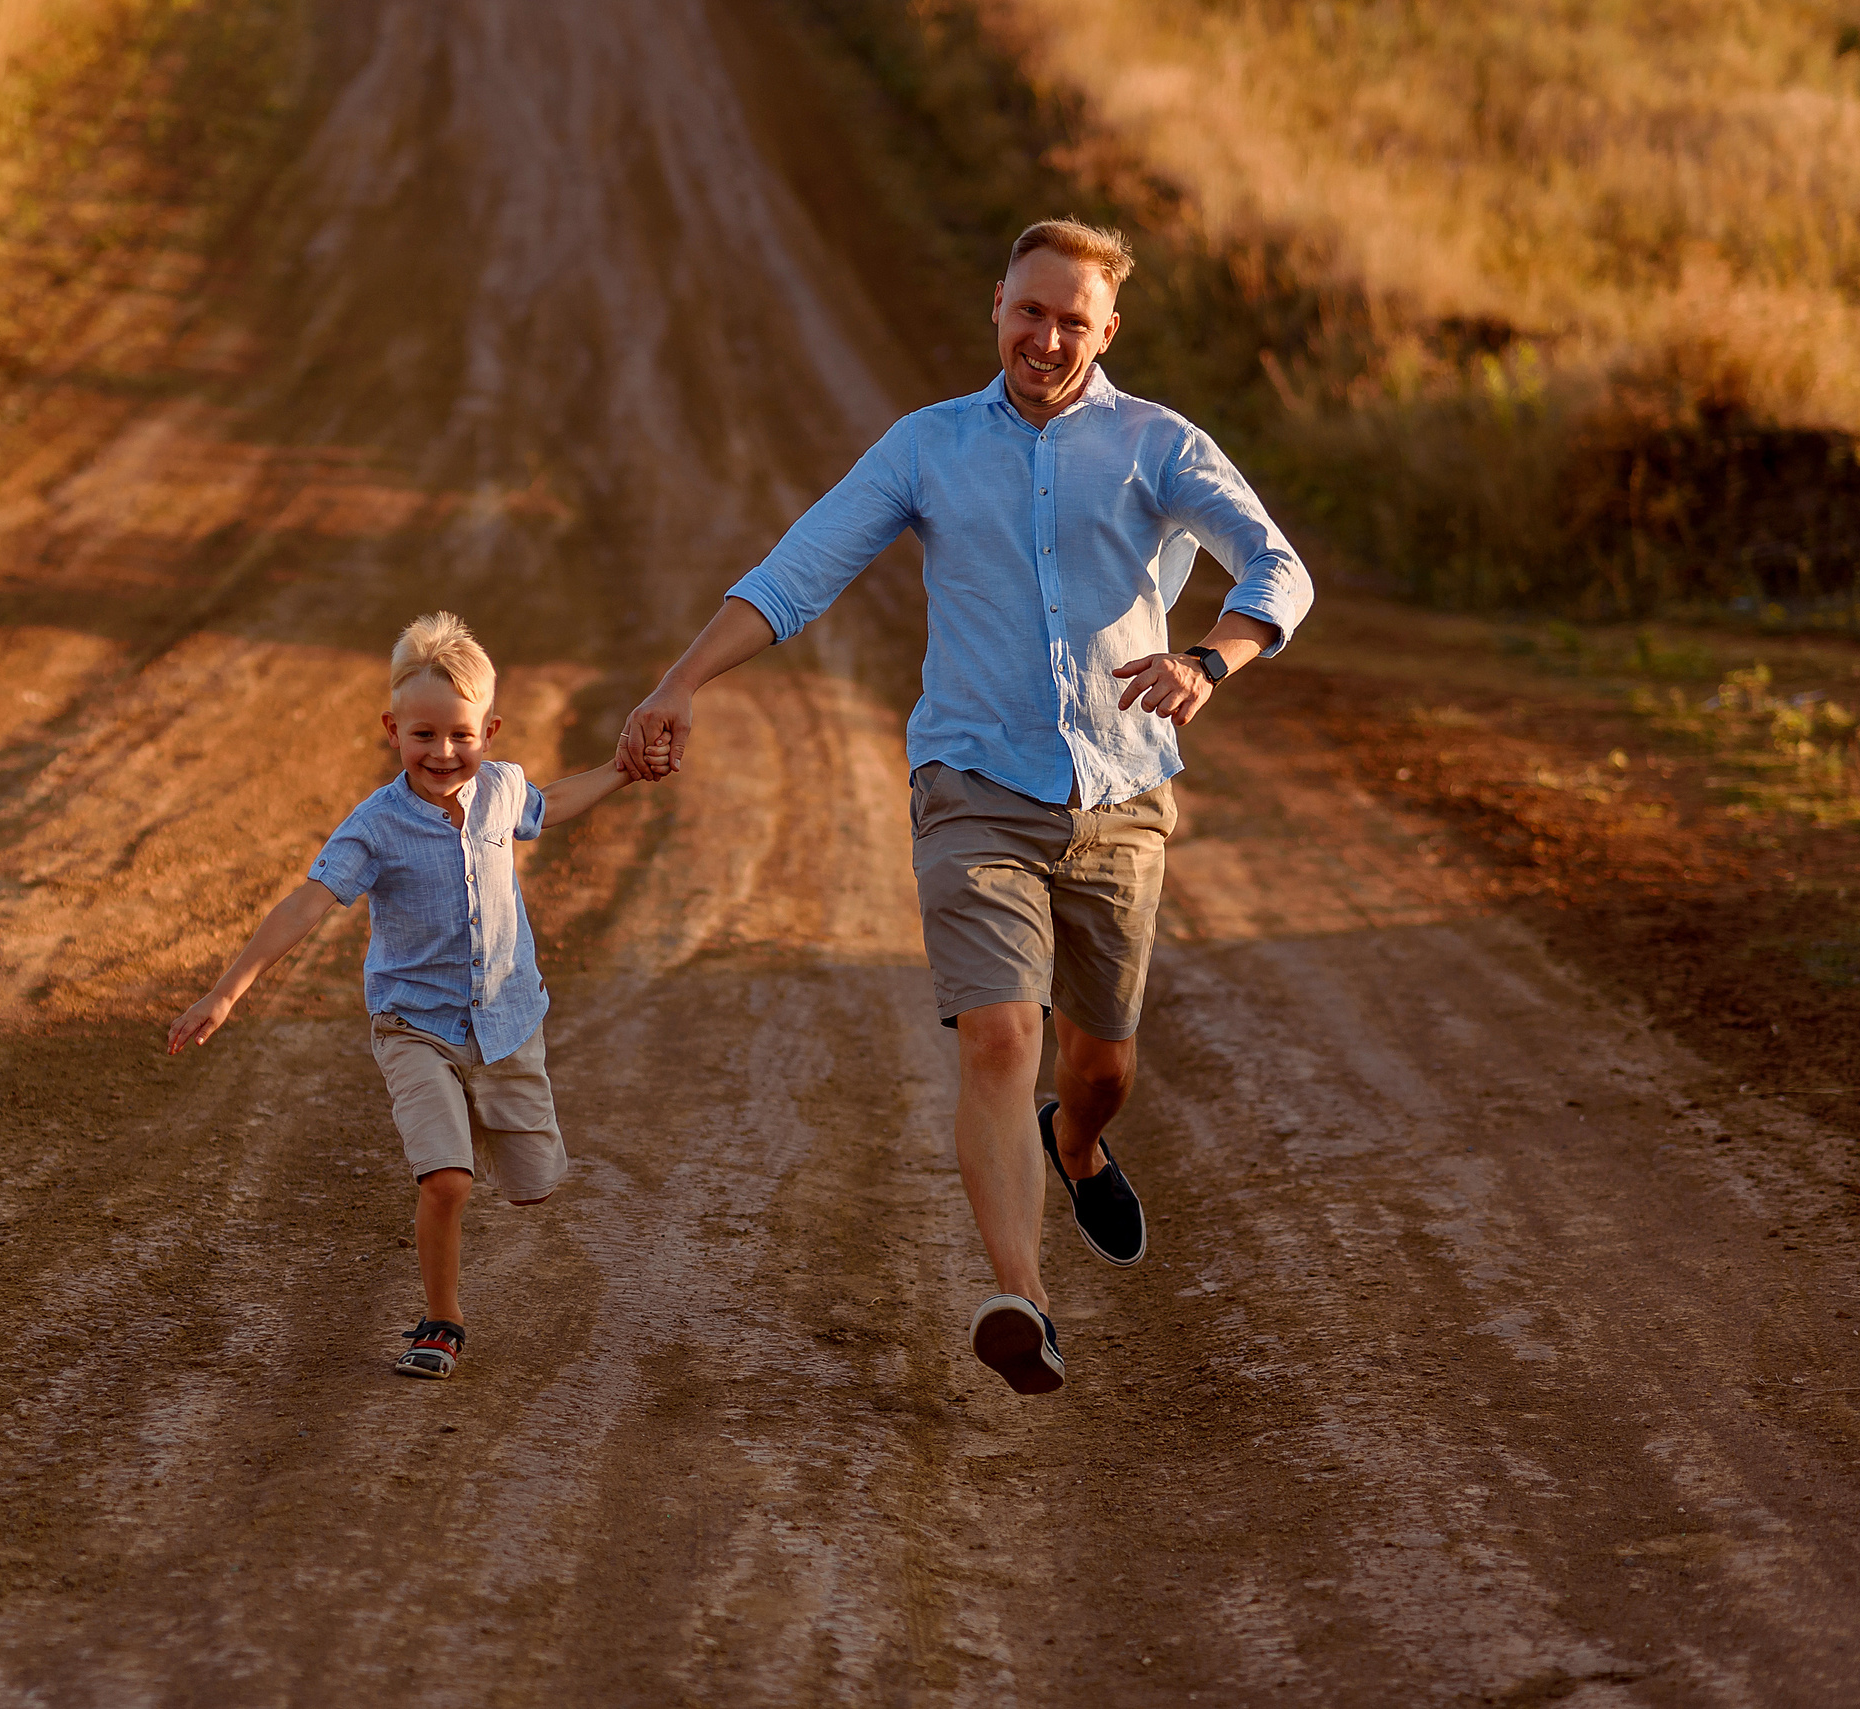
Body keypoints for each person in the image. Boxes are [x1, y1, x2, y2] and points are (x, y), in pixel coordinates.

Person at [616, 217, 1313, 1396]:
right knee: (999, 1032)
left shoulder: (1159, 444)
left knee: (1101, 1063)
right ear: (996, 304)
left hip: (1122, 795)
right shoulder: (926, 446)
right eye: (1028, 312)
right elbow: (797, 571)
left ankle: (1078, 1142)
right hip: (971, 788)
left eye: (1072, 320)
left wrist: (1208, 656)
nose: (1046, 338)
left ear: (1108, 329)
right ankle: (1021, 1302)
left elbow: (1274, 564)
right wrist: (677, 682)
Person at [168, 612, 657, 1380]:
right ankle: (442, 1319)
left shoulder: (501, 791)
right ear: (392, 729)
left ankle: (485, 1128)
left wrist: (624, 771)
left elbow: (552, 803)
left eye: (460, 734)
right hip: (413, 1027)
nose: (443, 752)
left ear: (489, 729)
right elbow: (306, 903)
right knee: (447, 1180)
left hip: (506, 1023)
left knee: (534, 1186)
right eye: (422, 734)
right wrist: (228, 991)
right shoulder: (376, 825)